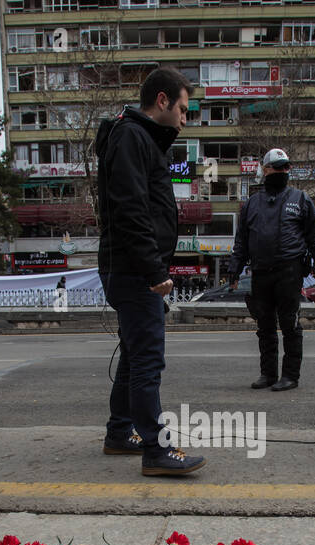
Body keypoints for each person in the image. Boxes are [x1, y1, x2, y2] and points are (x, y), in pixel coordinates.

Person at [96, 67, 204, 476]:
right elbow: (131, 209)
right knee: (147, 362)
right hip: (134, 271)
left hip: (130, 268)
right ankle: (158, 453)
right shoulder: (131, 136)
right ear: (161, 100)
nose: (184, 118)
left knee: (133, 357)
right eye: (181, 108)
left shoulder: (139, 137)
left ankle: (119, 432)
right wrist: (153, 270)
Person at [226, 148, 315, 391]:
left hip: (289, 270)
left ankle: (290, 375)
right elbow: (241, 241)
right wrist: (233, 269)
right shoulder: (252, 204)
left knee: (290, 325)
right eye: (276, 167)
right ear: (265, 170)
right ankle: (268, 374)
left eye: (285, 167)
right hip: (260, 272)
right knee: (265, 326)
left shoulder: (300, 199)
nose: (282, 171)